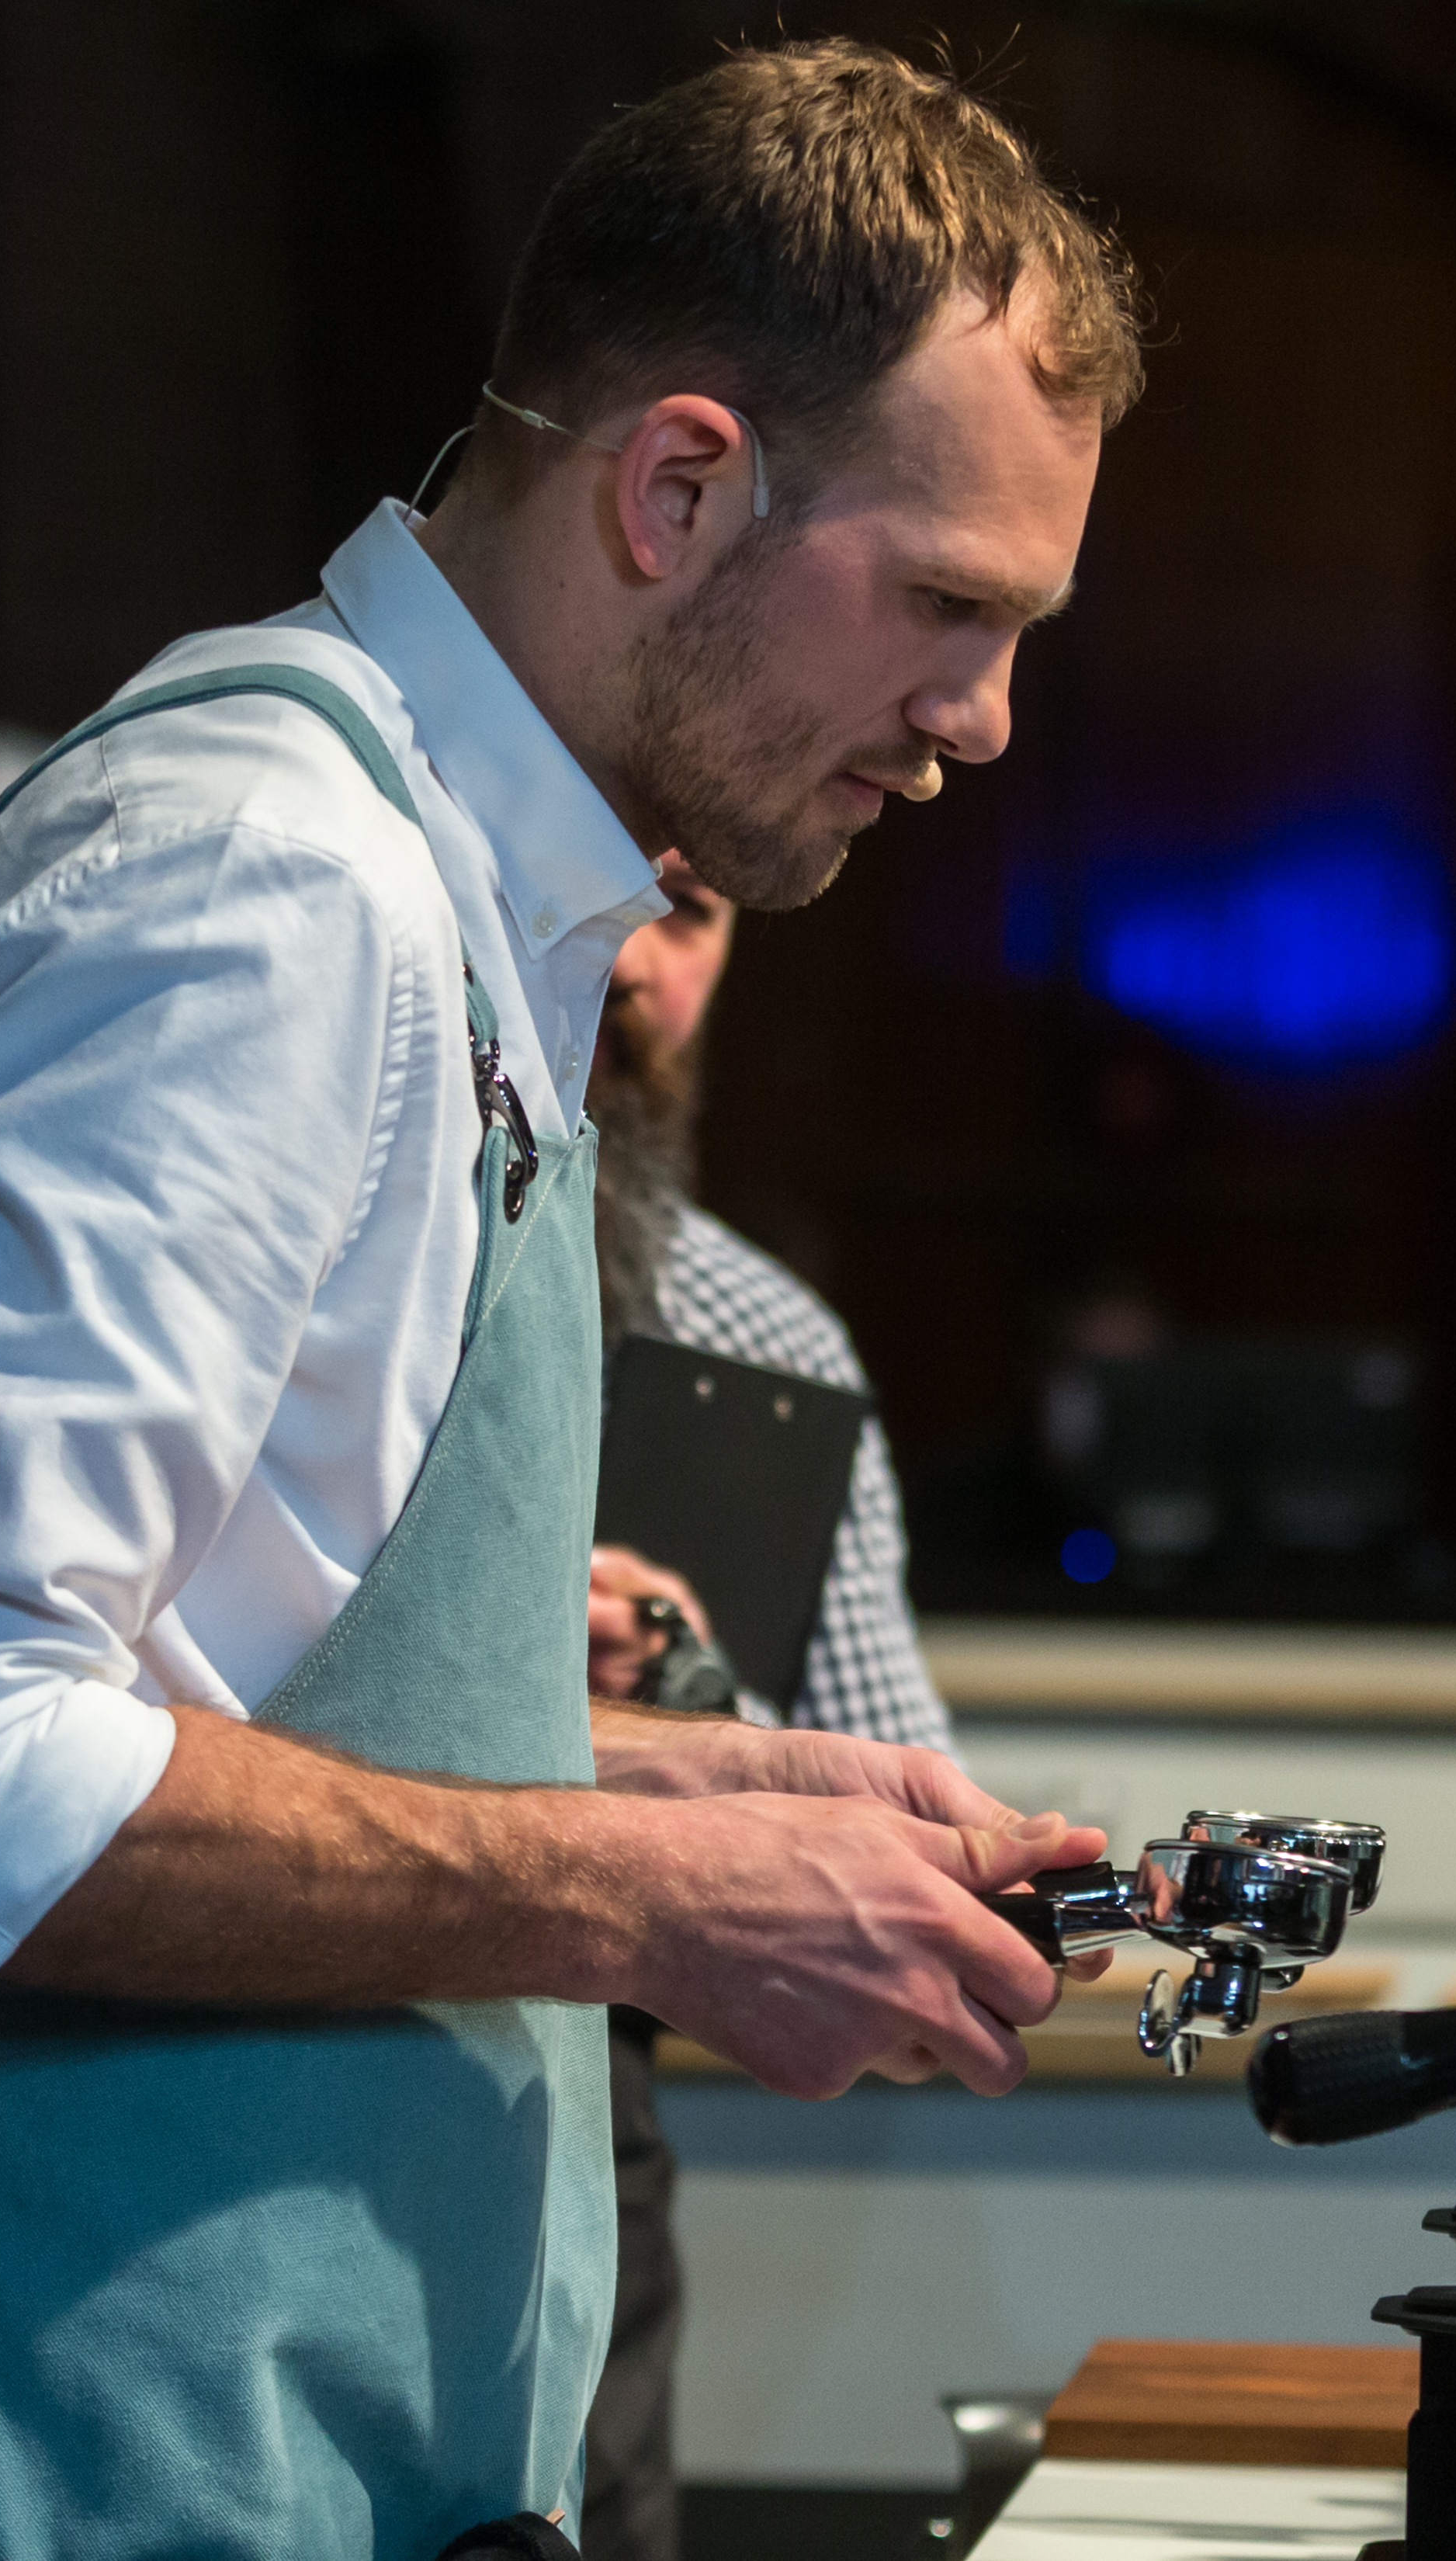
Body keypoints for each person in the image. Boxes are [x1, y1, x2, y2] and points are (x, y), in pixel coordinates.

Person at [0, 39, 1141, 2559]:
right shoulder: (266, 888)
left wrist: (678, 1799)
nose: (982, 721)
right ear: (677, 487)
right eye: (949, 603)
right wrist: (639, 1895)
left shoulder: (471, 901)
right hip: (75, 2448)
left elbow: (226, 1688)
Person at [568, 864, 959, 2561]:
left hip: (577, 2101)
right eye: (623, 894)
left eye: (696, 917)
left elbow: (894, 1808)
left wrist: (684, 1695)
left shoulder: (762, 1346)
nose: (640, 965)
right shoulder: (322, 1259)